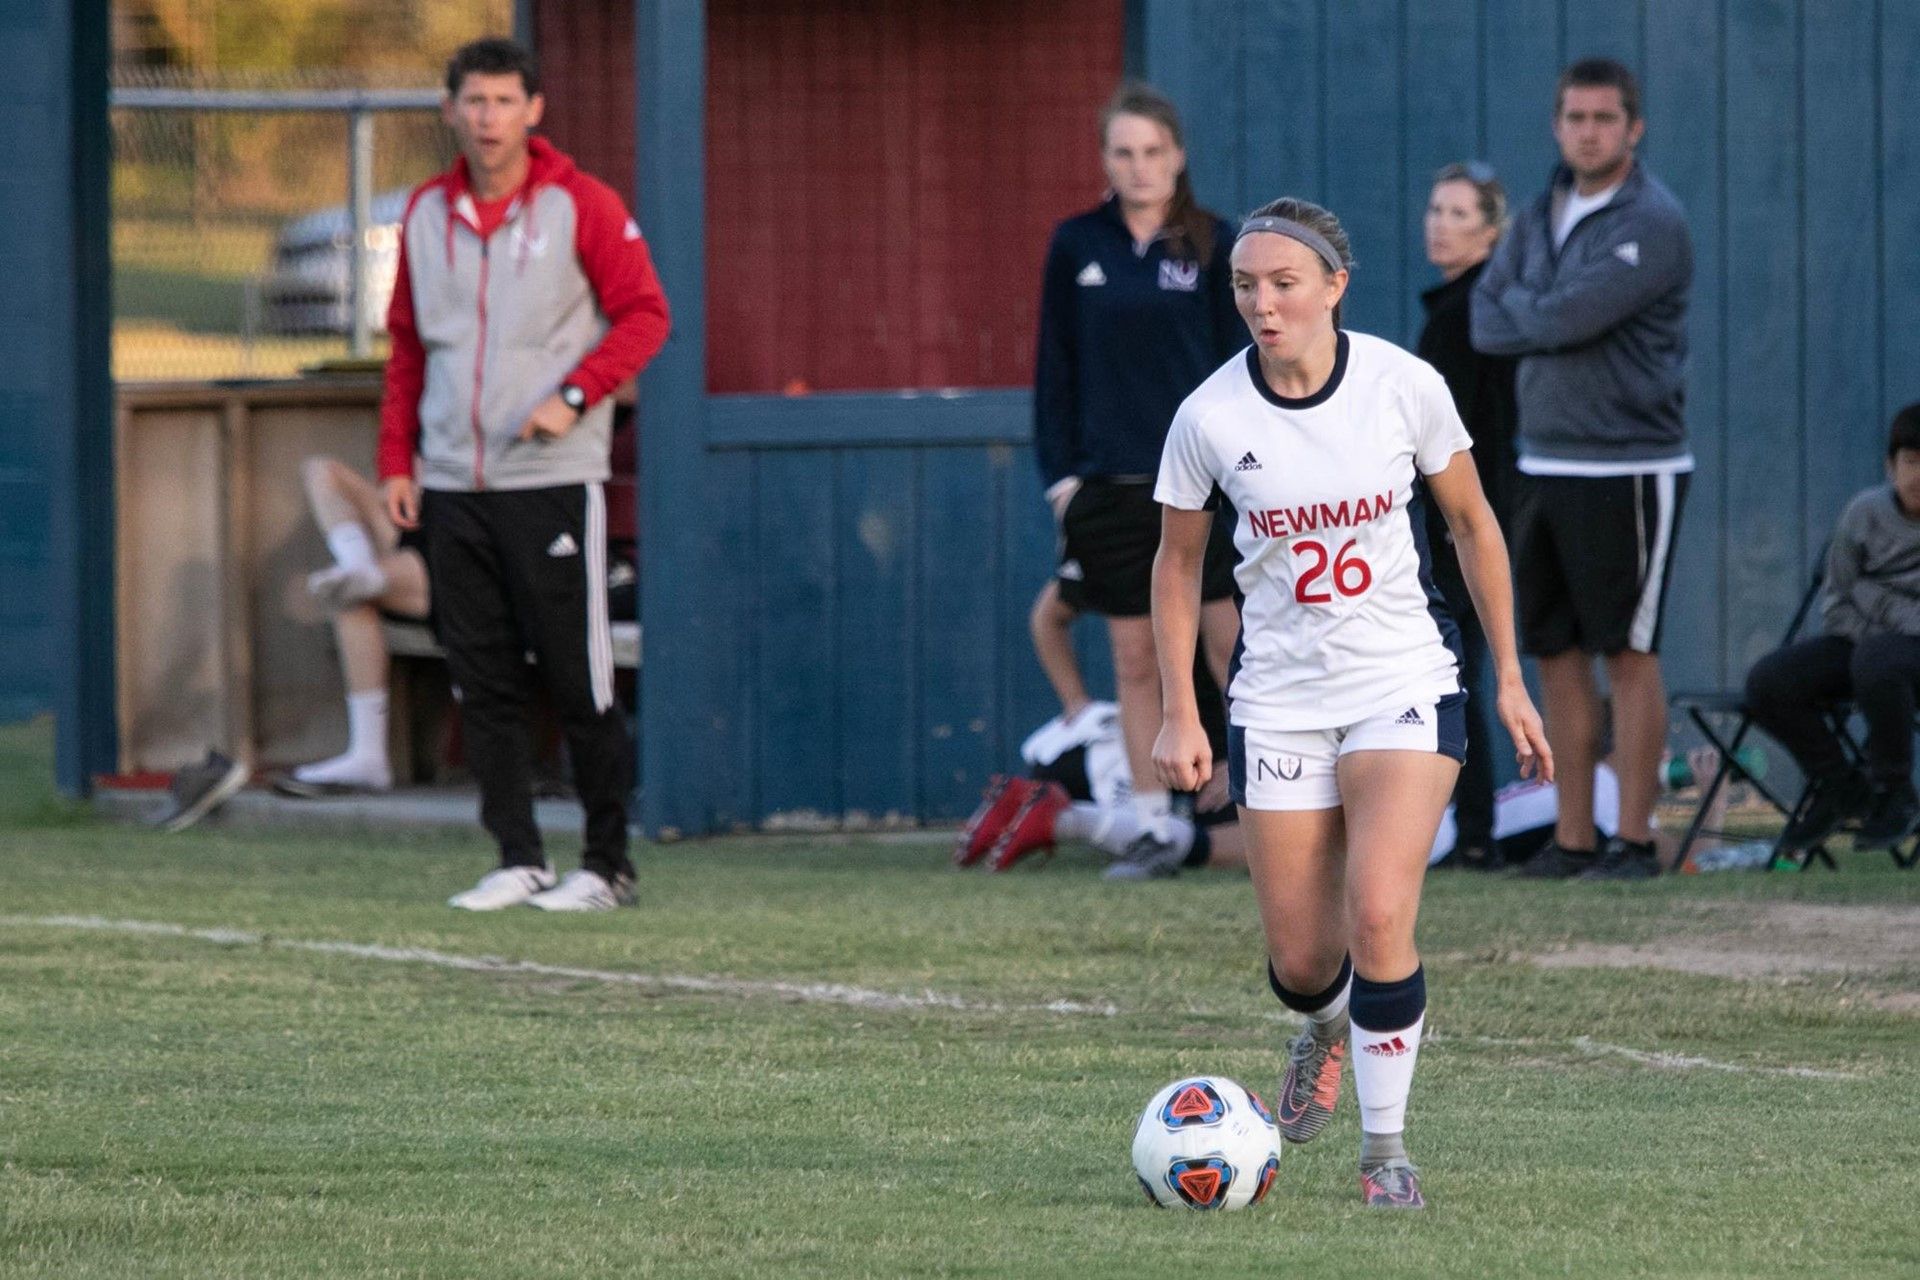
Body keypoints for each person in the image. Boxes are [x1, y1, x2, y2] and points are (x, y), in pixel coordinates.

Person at [1151, 198, 1551, 1209]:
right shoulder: (1208, 416)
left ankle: (1386, 1152)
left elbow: (1471, 524)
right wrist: (1180, 709)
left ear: (1335, 284)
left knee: (1380, 911)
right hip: (1278, 699)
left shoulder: (1402, 386)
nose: (1263, 302)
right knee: (1301, 957)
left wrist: (1506, 673)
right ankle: (1324, 1025)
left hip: (1404, 680)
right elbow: (1176, 563)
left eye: (1284, 282)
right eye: (1246, 284)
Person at [379, 37, 670, 912]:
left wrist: (575, 395)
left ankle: (607, 864)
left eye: (505, 101)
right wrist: (398, 460)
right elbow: (404, 349)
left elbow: (646, 316)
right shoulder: (426, 214)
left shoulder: (582, 204)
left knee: (579, 676)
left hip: (549, 479)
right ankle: (517, 855)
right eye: (474, 101)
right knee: (481, 676)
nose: (489, 118)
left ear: (533, 110)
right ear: (449, 111)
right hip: (450, 482)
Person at [1470, 57, 1694, 881]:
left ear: (1633, 128)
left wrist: (1537, 311)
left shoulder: (1654, 220)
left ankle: (1632, 839)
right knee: (1554, 652)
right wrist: (1543, 313)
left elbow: (1563, 317)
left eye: (1604, 118)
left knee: (1626, 654)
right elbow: (1487, 321)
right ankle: (1572, 840)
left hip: (1631, 466)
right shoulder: (1538, 213)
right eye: (1574, 117)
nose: (1587, 131)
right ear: (1557, 124)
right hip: (1542, 463)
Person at [1033, 82, 1244, 869]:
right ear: (1105, 160)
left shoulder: (1216, 242)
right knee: (1135, 660)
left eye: (1153, 151)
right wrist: (1064, 482)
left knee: (1233, 650)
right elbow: (1053, 370)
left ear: (1178, 156)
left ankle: (1273, 806)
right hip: (1111, 490)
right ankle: (1153, 826)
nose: (1139, 166)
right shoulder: (1075, 244)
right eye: (1123, 152)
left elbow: (1240, 368)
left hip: (1205, 487)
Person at [954, 578, 1248, 880]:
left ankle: (1054, 814)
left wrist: (1076, 702)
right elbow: (1049, 615)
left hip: (1106, 754)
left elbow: (1049, 614)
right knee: (1267, 833)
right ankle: (1069, 820)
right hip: (1159, 753)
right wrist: (1075, 702)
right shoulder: (1201, 564)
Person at [1745, 404, 1920, 851]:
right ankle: (1842, 788)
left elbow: (1861, 597)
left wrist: (1874, 599)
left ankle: (1895, 791)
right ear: (1890, 465)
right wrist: (1874, 620)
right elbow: (1837, 606)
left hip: (1905, 656)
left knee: (1878, 659)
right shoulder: (1863, 515)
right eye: (1911, 461)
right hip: (1863, 646)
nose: (1919, 475)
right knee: (1769, 681)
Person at [1417, 162, 1518, 869]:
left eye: (1458, 213)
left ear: (1490, 230)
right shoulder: (1456, 307)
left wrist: (1455, 526)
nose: (1440, 223)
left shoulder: (1474, 312)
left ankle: (1476, 831)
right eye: (1435, 209)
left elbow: (1467, 438)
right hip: (1460, 518)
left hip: (1468, 520)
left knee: (1456, 674)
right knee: (1453, 672)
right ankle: (1471, 828)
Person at [271, 458, 433, 796]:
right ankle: (368, 756)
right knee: (320, 470)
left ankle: (362, 576)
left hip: (467, 563)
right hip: (413, 536)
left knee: (346, 590)